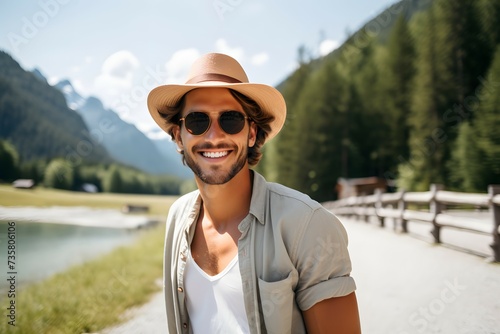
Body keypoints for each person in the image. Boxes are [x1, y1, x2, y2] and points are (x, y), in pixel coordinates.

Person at [147, 52, 361, 333]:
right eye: (197, 121)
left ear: (250, 133)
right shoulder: (177, 217)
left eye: (231, 119)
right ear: (178, 136)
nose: (213, 136)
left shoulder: (307, 225)